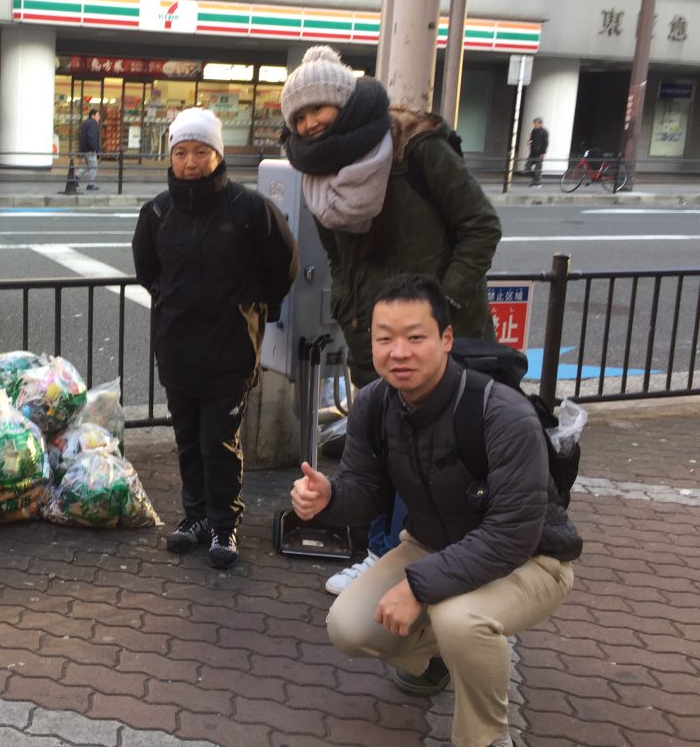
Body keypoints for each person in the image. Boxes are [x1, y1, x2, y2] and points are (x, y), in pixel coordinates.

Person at [290, 274, 580, 747]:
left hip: (532, 560)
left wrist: (419, 587)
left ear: (446, 340)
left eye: (415, 337)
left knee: (459, 620)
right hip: (435, 543)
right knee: (347, 625)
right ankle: (448, 657)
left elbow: (512, 534)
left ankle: (486, 738)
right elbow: (364, 492)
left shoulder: (501, 413)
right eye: (385, 338)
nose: (398, 351)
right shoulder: (373, 404)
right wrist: (328, 499)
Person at [280, 45, 502, 596]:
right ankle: (382, 554)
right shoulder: (316, 173)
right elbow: (337, 255)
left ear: (347, 102)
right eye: (298, 116)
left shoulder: (415, 148)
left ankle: (434, 567)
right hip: (370, 335)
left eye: (318, 109)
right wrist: (348, 306)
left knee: (441, 458)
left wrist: (440, 307)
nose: (309, 124)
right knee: (382, 449)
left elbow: (480, 226)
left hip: (441, 338)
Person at [132, 107, 298, 569]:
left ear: (216, 154)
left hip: (230, 349)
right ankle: (195, 518)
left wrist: (253, 307)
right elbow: (148, 271)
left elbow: (281, 265)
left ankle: (225, 524)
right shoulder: (158, 212)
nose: (190, 161)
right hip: (177, 347)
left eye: (200, 151)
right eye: (181, 152)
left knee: (219, 441)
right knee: (187, 438)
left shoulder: (248, 208)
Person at [79, 108, 101, 190]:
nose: (99, 117)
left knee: (89, 166)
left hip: (85, 149)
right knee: (93, 167)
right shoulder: (92, 123)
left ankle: (76, 176)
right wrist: (94, 148)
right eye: (98, 115)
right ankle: (90, 185)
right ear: (93, 116)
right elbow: (91, 137)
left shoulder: (86, 123)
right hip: (90, 150)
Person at [525, 117, 548, 187]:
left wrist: (543, 152)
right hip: (532, 152)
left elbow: (545, 143)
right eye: (534, 123)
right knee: (527, 166)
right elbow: (532, 139)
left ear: (539, 123)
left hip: (539, 153)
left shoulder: (544, 132)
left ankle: (537, 182)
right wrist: (529, 142)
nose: (534, 125)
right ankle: (535, 180)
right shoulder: (534, 131)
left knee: (537, 169)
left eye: (535, 123)